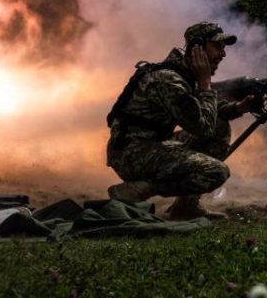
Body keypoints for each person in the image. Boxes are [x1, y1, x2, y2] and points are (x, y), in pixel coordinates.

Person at [105, 22, 256, 220]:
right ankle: (141, 189)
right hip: (131, 153)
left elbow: (208, 113)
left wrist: (239, 108)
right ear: (197, 48)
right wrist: (205, 84)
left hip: (151, 144)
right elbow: (203, 127)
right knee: (216, 172)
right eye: (217, 47)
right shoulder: (169, 80)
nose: (223, 54)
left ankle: (186, 207)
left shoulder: (183, 75)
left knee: (220, 125)